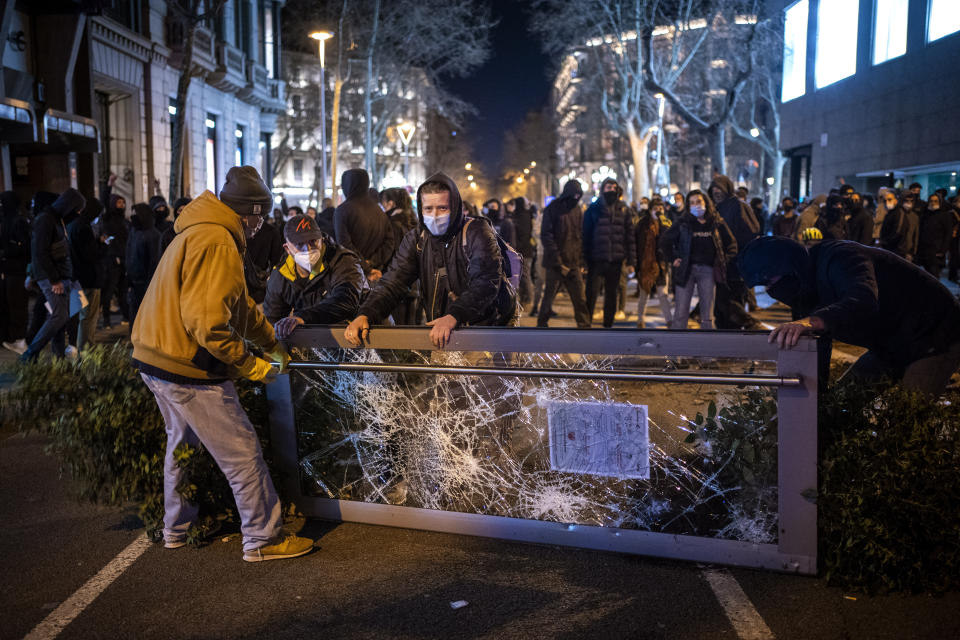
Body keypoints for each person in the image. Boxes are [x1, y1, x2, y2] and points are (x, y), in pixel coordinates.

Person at [132, 165, 312, 561]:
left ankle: (176, 529)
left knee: (183, 447)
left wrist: (270, 341)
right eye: (260, 215)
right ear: (247, 212)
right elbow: (210, 324)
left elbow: (239, 306)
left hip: (156, 357)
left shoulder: (203, 231)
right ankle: (263, 539)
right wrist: (253, 365)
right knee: (242, 451)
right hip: (188, 366)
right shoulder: (217, 242)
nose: (260, 224)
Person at [739, 236, 960, 396]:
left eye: (769, 281)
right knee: (842, 404)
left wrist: (813, 321)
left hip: (933, 336)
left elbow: (863, 300)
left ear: (789, 266)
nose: (770, 289)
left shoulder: (842, 257)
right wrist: (816, 398)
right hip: (889, 344)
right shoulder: (803, 290)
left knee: (909, 422)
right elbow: (818, 347)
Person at [344, 173, 516, 349]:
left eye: (442, 208)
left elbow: (485, 282)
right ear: (421, 209)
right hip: (441, 334)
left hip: (484, 334)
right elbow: (393, 282)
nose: (434, 215)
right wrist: (366, 313)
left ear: (455, 207)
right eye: (428, 209)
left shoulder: (477, 232)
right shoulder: (417, 238)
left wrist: (455, 315)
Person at [262, 214, 366, 337]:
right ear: (287, 249)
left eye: (313, 241)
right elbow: (272, 320)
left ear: (321, 239)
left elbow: (345, 301)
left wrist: (302, 318)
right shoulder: (281, 275)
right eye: (300, 244)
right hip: (318, 339)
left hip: (359, 333)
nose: (308, 249)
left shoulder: (342, 261)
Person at [20, 189, 86, 361]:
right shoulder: (46, 220)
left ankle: (58, 357)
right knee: (59, 315)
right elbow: (40, 252)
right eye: (77, 209)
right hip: (52, 278)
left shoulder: (57, 220)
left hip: (62, 276)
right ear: (69, 206)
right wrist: (54, 279)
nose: (78, 214)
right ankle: (30, 353)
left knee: (61, 318)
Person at [660, 189, 737, 330]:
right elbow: (665, 241)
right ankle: (676, 349)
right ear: (688, 206)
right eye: (692, 203)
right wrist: (673, 258)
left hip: (708, 271)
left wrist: (723, 260)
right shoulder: (682, 222)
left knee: (707, 315)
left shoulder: (716, 221)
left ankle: (707, 349)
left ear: (706, 202)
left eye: (699, 201)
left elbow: (731, 244)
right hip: (686, 270)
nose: (696, 205)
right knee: (680, 313)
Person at [708, 174, 760, 330]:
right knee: (720, 307)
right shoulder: (714, 208)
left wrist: (735, 251)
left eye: (719, 188)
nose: (716, 191)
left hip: (736, 266)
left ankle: (747, 324)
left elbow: (752, 231)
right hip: (720, 266)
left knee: (733, 303)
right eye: (714, 188)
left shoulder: (738, 206)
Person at [583, 178, 635, 328]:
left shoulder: (624, 209)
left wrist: (631, 261)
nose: (611, 189)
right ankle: (587, 323)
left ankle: (608, 324)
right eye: (608, 186)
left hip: (616, 260)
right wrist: (584, 260)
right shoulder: (593, 209)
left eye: (614, 186)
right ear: (602, 189)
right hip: (596, 259)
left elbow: (629, 237)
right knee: (591, 293)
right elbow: (586, 235)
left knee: (612, 295)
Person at [537, 180, 589, 328]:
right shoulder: (553, 208)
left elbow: (579, 235)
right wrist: (557, 260)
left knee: (580, 299)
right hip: (555, 264)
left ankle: (584, 326)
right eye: (575, 194)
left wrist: (581, 260)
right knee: (549, 297)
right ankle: (541, 325)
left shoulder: (577, 210)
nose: (577, 198)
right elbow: (547, 235)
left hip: (573, 263)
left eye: (579, 195)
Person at [334, 168, 394, 284]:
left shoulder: (342, 211)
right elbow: (389, 242)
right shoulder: (380, 212)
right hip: (376, 274)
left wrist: (365, 267)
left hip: (351, 276)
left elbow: (344, 245)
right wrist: (372, 263)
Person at [66, 198, 105, 351]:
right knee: (88, 317)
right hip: (89, 279)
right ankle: (86, 350)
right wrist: (102, 244)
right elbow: (91, 254)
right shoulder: (84, 228)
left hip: (76, 278)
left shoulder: (71, 226)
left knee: (79, 315)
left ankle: (76, 347)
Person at [380, 188, 421, 325]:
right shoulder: (414, 221)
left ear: (391, 204)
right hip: (415, 282)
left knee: (398, 327)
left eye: (384, 203)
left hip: (397, 281)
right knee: (411, 324)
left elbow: (392, 252)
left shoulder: (391, 224)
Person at [632, 197, 673, 328]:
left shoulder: (666, 223)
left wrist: (663, 225)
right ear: (650, 210)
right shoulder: (642, 224)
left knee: (663, 295)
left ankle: (669, 321)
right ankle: (640, 320)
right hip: (645, 264)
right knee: (644, 294)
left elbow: (670, 242)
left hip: (660, 264)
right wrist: (635, 263)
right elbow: (636, 243)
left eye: (660, 208)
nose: (658, 211)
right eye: (655, 209)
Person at [1, 191, 32, 354]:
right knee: (9, 305)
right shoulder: (6, 221)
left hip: (17, 271)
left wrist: (7, 252)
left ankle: (19, 338)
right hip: (8, 271)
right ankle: (12, 337)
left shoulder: (19, 222)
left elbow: (25, 247)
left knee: (17, 305)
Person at [98, 184, 130, 328]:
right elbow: (104, 201)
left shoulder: (125, 221)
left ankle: (126, 317)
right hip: (112, 260)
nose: (121, 205)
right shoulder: (107, 219)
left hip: (124, 259)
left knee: (123, 291)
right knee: (109, 291)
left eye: (123, 202)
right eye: (118, 202)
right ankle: (106, 320)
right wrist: (109, 185)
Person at [126, 203, 162, 327]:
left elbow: (154, 261)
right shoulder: (134, 231)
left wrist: (150, 284)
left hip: (146, 283)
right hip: (134, 282)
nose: (132, 217)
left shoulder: (153, 235)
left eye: (135, 214)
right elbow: (129, 254)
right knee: (134, 314)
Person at [243, 211, 285, 305]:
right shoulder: (271, 231)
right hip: (254, 286)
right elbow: (277, 262)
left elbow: (277, 261)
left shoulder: (271, 231)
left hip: (256, 286)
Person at [916, 192, 956, 279]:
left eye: (935, 201)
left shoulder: (945, 215)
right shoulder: (925, 214)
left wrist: (943, 250)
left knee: (934, 276)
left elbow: (948, 234)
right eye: (931, 201)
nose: (933, 203)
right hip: (925, 251)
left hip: (937, 251)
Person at [509, 197, 537, 311]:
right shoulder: (520, 215)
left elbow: (524, 235)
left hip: (524, 251)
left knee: (525, 276)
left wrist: (517, 249)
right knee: (521, 276)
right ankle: (523, 299)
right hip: (522, 251)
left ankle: (529, 299)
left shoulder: (523, 216)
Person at [879, 189, 918, 261]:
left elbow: (898, 233)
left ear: (896, 200)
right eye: (885, 200)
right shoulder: (891, 213)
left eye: (890, 199)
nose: (887, 202)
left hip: (898, 251)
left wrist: (912, 252)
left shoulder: (900, 213)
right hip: (893, 250)